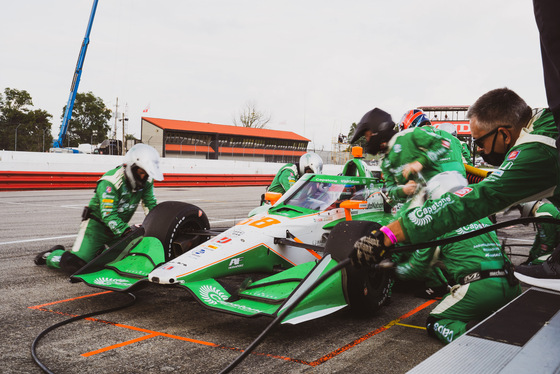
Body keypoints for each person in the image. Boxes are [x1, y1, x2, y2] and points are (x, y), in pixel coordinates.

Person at [350, 88, 560, 293]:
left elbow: (478, 198)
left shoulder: (536, 151)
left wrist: (388, 234)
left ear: (504, 134)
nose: (477, 149)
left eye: (479, 141)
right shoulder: (545, 119)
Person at [34, 143, 164, 274]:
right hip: (96, 227)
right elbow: (108, 215)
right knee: (75, 265)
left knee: (132, 259)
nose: (143, 177)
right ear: (131, 167)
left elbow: (150, 205)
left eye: (146, 173)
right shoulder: (110, 182)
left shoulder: (147, 181)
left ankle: (99, 252)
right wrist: (126, 232)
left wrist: (158, 225)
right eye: (141, 172)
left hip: (119, 230)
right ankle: (52, 255)